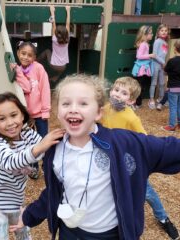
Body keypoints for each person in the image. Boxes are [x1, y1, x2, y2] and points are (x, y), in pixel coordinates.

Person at [10, 74, 180, 240]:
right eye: (66, 103)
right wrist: (28, 216)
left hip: (110, 234)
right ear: (58, 112)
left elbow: (170, 149)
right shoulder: (54, 148)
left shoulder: (124, 144)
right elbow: (55, 191)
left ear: (99, 113)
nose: (73, 108)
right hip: (69, 232)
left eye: (83, 103)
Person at [100, 76, 179, 240]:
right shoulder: (105, 109)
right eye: (116, 90)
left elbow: (143, 140)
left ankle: (163, 218)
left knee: (146, 192)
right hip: (108, 159)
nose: (117, 95)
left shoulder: (131, 118)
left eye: (124, 93)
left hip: (128, 162)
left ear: (131, 100)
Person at [0, 92, 64, 240]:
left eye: (14, 115)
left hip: (16, 201)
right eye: (2, 119)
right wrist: (40, 146)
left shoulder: (26, 133)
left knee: (24, 234)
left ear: (22, 115)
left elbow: (45, 150)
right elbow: (12, 162)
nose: (10, 123)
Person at [12, 41, 51, 179]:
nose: (26, 57)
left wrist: (46, 110)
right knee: (29, 142)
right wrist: (17, 71)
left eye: (30, 55)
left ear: (34, 57)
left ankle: (47, 166)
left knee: (43, 141)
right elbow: (26, 88)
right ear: (18, 53)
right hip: (25, 116)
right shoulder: (16, 70)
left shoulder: (38, 68)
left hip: (40, 114)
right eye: (23, 53)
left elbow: (45, 89)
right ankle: (33, 168)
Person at [37, 5, 70, 83]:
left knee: (47, 51)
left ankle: (35, 61)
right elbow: (68, 24)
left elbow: (53, 23)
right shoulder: (67, 39)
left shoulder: (54, 39)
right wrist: (68, 11)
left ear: (56, 34)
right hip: (63, 67)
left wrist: (52, 11)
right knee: (62, 65)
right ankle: (56, 77)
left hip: (53, 65)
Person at [132, 25, 155, 108]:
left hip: (143, 68)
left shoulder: (145, 44)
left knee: (141, 86)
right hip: (141, 69)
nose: (152, 34)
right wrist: (150, 55)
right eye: (150, 33)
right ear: (145, 35)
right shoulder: (143, 44)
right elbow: (139, 56)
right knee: (139, 86)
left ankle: (136, 103)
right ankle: (136, 103)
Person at [149, 24, 169, 109]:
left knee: (162, 83)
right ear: (158, 32)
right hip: (156, 64)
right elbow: (154, 55)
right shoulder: (157, 41)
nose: (164, 32)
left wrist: (163, 63)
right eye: (162, 30)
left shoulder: (165, 42)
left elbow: (163, 55)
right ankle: (151, 99)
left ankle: (161, 98)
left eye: (165, 30)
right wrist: (163, 62)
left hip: (162, 66)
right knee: (154, 83)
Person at [162, 39, 180, 132]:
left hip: (173, 88)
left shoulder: (172, 61)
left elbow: (165, 71)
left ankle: (172, 126)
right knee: (179, 106)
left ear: (175, 49)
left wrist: (164, 66)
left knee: (173, 107)